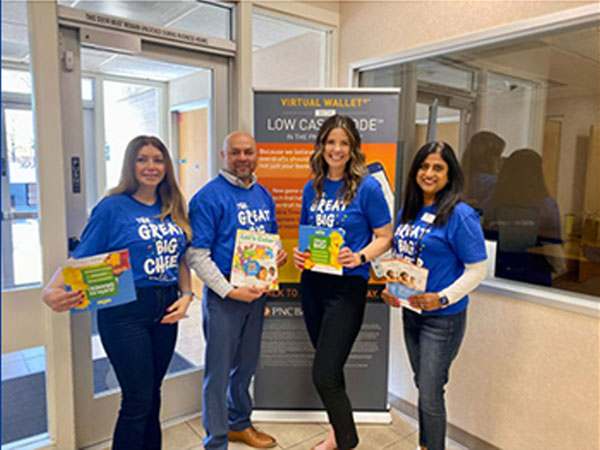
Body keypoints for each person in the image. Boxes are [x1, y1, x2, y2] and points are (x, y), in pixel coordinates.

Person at [42, 135, 193, 450]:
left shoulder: (173, 205)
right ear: (130, 165)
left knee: (153, 394)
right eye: (142, 159)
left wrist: (186, 295)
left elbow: (181, 257)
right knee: (137, 399)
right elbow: (82, 256)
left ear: (166, 166)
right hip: (126, 312)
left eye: (158, 160)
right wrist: (52, 289)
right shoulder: (112, 208)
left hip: (166, 308)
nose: (151, 166)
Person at [292, 115, 393, 450]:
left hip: (347, 289)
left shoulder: (367, 187)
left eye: (344, 143)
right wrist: (300, 255)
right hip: (313, 285)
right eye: (331, 142)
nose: (336, 149)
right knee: (331, 370)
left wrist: (360, 256)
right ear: (321, 146)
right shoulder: (312, 187)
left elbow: (385, 237)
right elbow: (307, 236)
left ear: (353, 148)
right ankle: (337, 435)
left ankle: (347, 441)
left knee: (323, 373)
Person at [381, 141, 487, 450]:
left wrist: (442, 298)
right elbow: (405, 259)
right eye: (424, 166)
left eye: (438, 168)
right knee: (424, 385)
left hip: (443, 319)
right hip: (411, 313)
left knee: (430, 391)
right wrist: (392, 288)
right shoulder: (409, 211)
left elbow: (477, 270)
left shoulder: (460, 215)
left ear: (450, 174)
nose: (429, 173)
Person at [186, 131, 287, 449]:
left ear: (257, 154)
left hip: (256, 295)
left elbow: (272, 237)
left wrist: (278, 255)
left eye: (248, 152)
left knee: (246, 367)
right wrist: (229, 291)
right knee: (218, 373)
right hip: (224, 298)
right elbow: (197, 256)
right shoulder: (207, 198)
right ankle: (216, 441)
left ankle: (239, 424)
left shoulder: (263, 194)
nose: (242, 158)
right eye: (235, 152)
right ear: (224, 155)